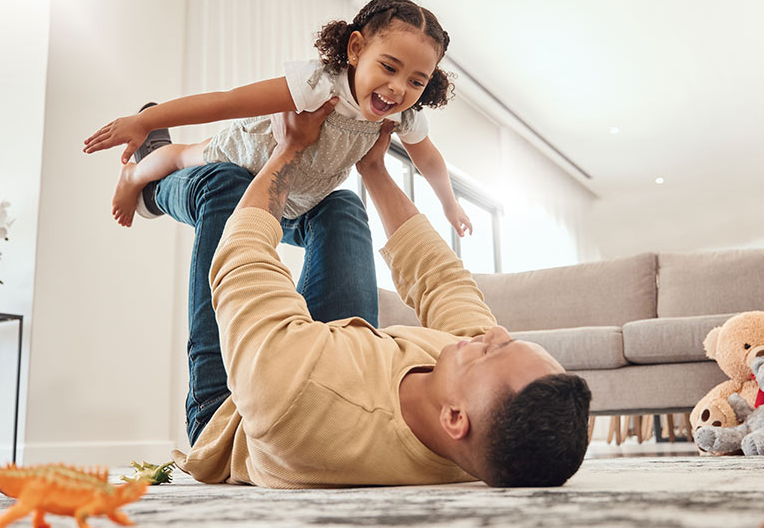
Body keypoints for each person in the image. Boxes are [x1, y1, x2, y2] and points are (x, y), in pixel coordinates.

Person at [170, 106, 592, 488]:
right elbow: (442, 280)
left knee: (226, 186)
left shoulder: (293, 395)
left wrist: (290, 148)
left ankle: (150, 186)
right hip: (331, 357)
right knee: (342, 207)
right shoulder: (480, 432)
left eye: (489, 353)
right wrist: (374, 167)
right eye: (508, 341)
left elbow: (242, 259)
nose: (494, 332)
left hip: (234, 410)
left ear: (454, 418)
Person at [83, 0, 473, 238]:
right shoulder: (320, 84)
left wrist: (449, 204)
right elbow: (228, 101)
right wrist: (144, 122)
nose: (399, 88)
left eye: (416, 81)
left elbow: (429, 160)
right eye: (389, 67)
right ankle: (135, 175)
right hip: (245, 155)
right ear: (356, 49)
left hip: (292, 193)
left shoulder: (401, 117)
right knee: (184, 155)